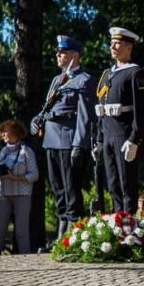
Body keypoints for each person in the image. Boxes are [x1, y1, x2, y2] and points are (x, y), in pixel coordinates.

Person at [30, 35, 97, 238]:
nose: (58, 55)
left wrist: (79, 145)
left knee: (71, 191)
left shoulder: (84, 80)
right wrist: (37, 119)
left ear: (74, 55)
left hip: (69, 141)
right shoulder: (57, 80)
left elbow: (85, 117)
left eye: (62, 52)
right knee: (57, 189)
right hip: (51, 140)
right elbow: (47, 108)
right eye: (58, 52)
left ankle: (72, 237)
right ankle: (60, 237)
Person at [93, 27, 144, 213]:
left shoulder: (135, 73)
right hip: (108, 134)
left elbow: (141, 111)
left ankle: (128, 226)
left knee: (127, 186)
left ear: (128, 46)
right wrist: (99, 140)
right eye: (111, 43)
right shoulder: (108, 74)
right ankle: (118, 223)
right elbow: (102, 111)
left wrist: (134, 139)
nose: (112, 47)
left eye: (117, 43)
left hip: (123, 135)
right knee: (113, 185)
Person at [0, 120, 39, 255]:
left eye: (6, 130)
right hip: (4, 193)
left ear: (15, 133)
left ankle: (25, 260)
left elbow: (35, 175)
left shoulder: (27, 151)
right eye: (3, 131)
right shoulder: (3, 151)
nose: (3, 134)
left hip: (22, 194)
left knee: (21, 232)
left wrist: (16, 178)